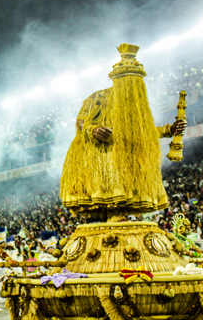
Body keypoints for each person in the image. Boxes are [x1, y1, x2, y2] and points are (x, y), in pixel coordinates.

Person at [60, 44, 186, 221]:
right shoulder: (99, 97)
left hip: (126, 156)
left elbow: (142, 132)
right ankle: (112, 213)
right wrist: (93, 130)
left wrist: (169, 130)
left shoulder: (136, 105)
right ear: (118, 80)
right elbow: (80, 122)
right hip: (101, 154)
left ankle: (120, 213)